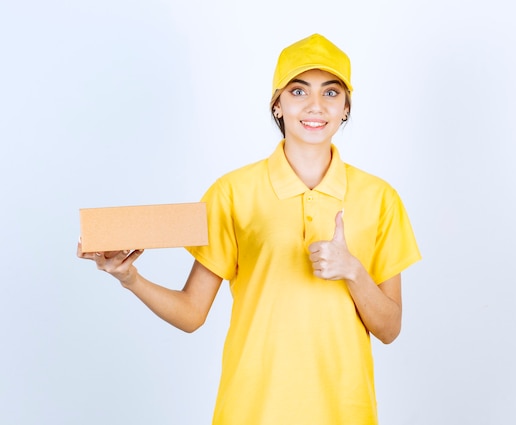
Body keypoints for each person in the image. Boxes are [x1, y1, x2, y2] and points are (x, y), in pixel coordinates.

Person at [78, 33, 421, 425]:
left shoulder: (380, 198)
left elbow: (390, 328)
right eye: (298, 91)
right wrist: (130, 277)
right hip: (253, 408)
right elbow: (192, 314)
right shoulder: (232, 193)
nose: (315, 106)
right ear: (277, 105)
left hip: (345, 409)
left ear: (345, 108)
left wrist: (353, 271)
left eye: (330, 93)